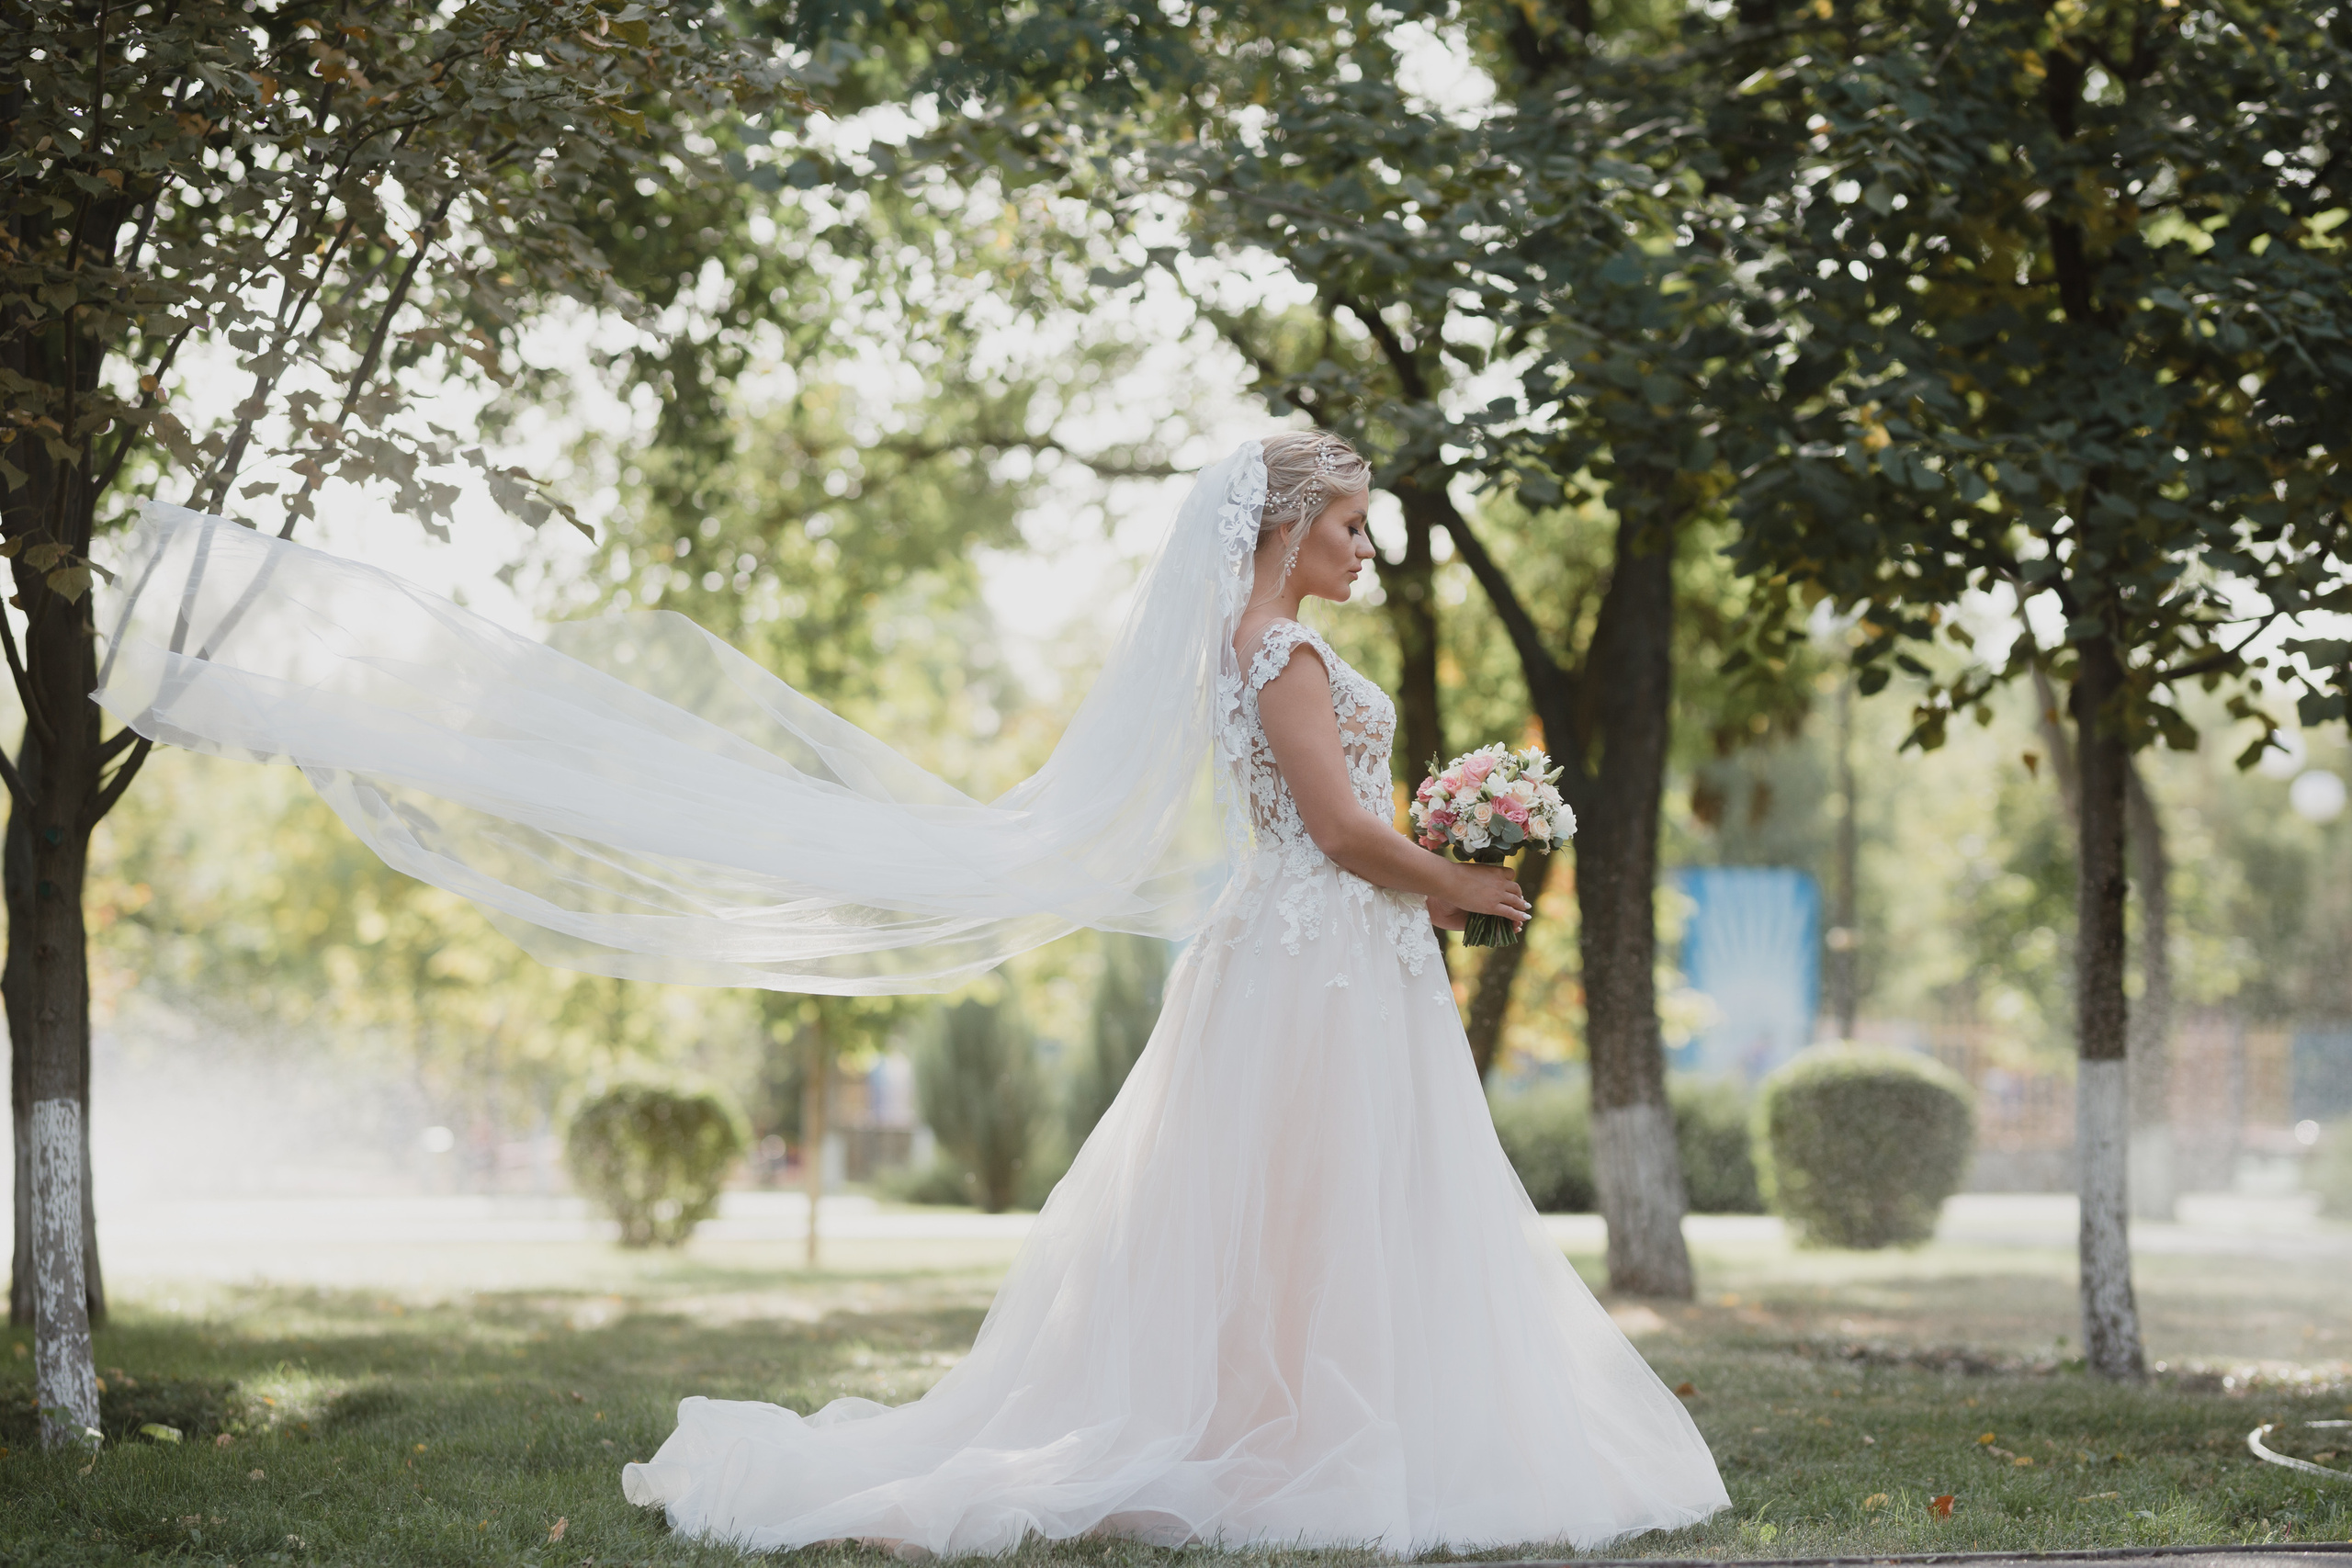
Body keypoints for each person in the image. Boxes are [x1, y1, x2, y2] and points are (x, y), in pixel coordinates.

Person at [95, 432, 1727, 1555]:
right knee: (1322, 1200)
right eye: (1351, 521)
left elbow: (1338, 827)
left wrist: (1432, 857)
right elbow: (1334, 827)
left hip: (1310, 967)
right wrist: (1452, 873)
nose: (1366, 545)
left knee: (1320, 1212)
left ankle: (1308, 1426)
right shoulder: (1279, 656)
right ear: (1284, 525)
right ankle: (1299, 1441)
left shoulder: (1262, 652)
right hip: (1316, 964)